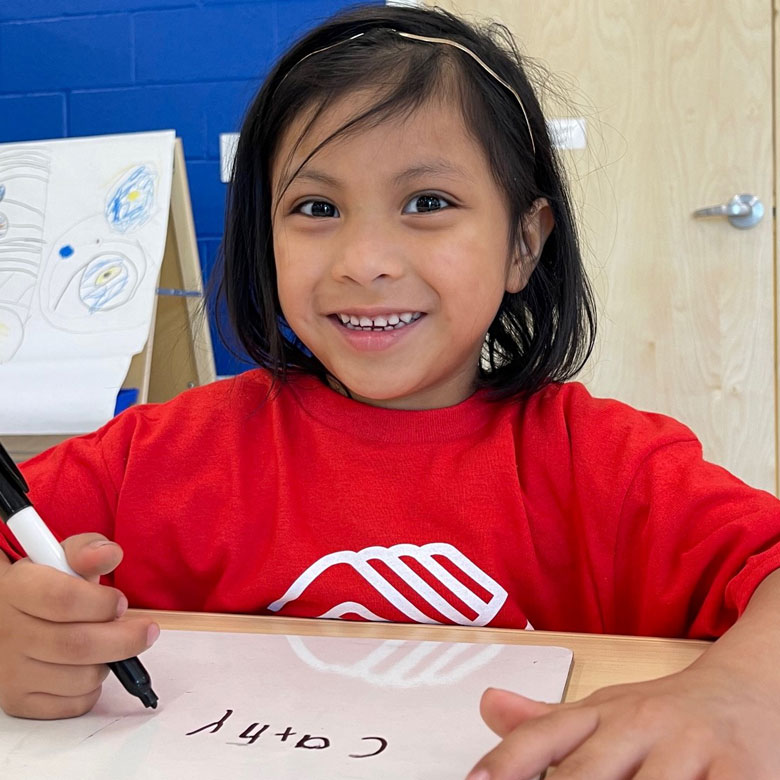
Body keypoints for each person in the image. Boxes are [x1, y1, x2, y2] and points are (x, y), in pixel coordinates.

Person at [1, 3, 779, 777]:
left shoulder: (608, 466)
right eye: (316, 208)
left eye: (428, 203)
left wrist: (741, 692)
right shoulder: (162, 454)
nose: (364, 259)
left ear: (523, 243)